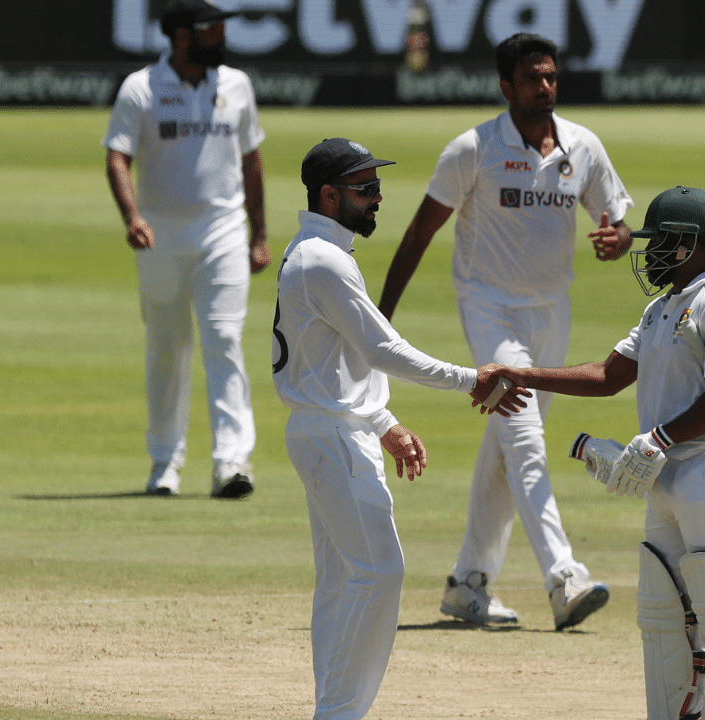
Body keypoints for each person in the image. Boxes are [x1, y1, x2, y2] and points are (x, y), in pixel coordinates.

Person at [490, 187, 705, 720]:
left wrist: (660, 438)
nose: (648, 251)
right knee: (666, 615)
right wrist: (523, 373)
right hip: (666, 480)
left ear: (691, 245)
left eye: (659, 240)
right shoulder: (659, 309)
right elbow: (607, 377)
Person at [377, 32, 634, 629]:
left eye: (549, 77)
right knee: (524, 440)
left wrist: (614, 241)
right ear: (505, 86)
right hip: (488, 308)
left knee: (505, 449)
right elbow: (419, 234)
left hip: (552, 312)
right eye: (531, 78)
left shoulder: (583, 146)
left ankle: (469, 584)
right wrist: (380, 320)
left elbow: (618, 223)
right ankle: (563, 576)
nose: (543, 87)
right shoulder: (473, 149)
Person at [272, 137, 523, 720]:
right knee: (379, 572)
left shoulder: (320, 250)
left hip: (332, 427)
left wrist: (382, 421)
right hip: (331, 435)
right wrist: (473, 379)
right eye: (365, 189)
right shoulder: (322, 258)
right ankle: (339, 713)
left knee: (342, 581)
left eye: (376, 186)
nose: (378, 198)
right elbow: (384, 349)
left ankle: (332, 711)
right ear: (328, 195)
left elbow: (333, 358)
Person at [103, 0, 270, 498]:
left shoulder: (237, 85)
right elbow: (116, 156)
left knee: (224, 338)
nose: (221, 37)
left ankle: (232, 463)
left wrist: (259, 233)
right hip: (161, 235)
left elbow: (252, 161)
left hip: (223, 230)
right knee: (167, 349)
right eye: (212, 30)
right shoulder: (141, 87)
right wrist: (132, 217)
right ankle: (165, 464)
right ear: (181, 37)